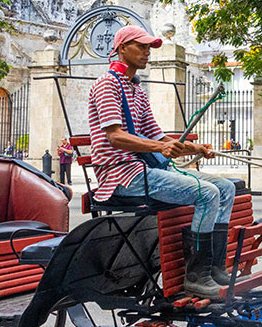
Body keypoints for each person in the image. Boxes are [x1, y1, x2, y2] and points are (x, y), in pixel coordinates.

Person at [88, 25, 235, 299]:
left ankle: (214, 268)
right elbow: (116, 137)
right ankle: (196, 276)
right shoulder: (106, 85)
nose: (147, 53)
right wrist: (161, 146)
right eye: (141, 46)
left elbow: (157, 135)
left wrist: (194, 148)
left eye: (149, 48)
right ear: (122, 48)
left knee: (226, 188)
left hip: (147, 169)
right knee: (208, 192)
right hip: (121, 176)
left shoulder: (136, 90)